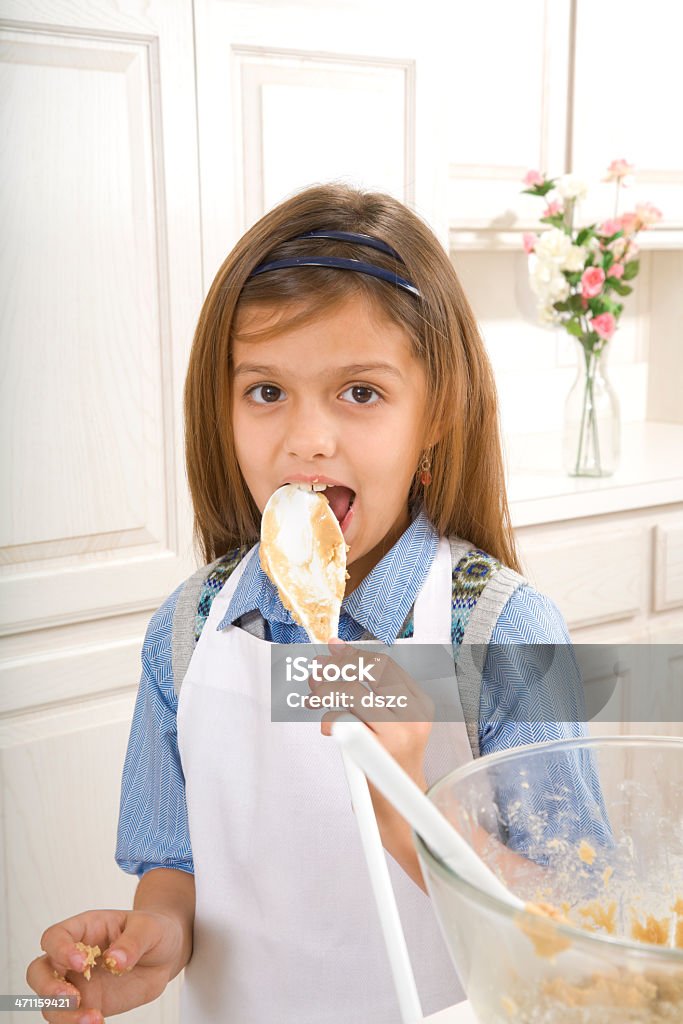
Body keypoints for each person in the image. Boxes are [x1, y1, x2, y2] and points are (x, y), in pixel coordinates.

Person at [26, 183, 609, 1024]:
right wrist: (153, 935)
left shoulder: (499, 633)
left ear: (435, 413)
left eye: (359, 393)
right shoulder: (190, 628)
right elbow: (178, 864)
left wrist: (405, 804)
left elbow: (575, 940)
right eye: (265, 391)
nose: (305, 438)